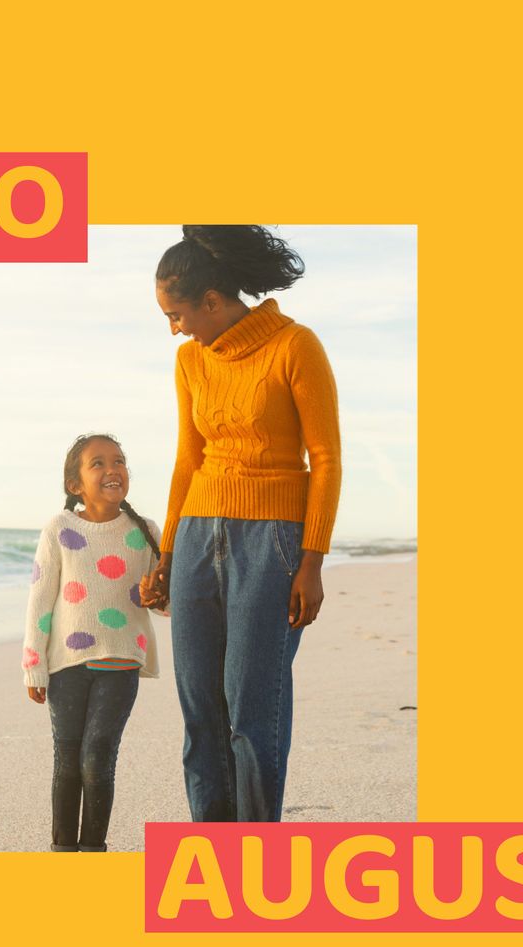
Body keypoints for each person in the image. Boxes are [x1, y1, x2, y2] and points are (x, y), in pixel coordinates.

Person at [142, 225, 342, 823]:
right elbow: (188, 460)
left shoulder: (295, 346)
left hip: (273, 542)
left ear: (212, 301)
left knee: (251, 710)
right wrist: (168, 555)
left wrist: (313, 560)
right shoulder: (189, 360)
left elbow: (325, 459)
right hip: (199, 535)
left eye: (176, 314)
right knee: (201, 711)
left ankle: (257, 862)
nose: (173, 328)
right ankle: (211, 853)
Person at [22, 434, 164, 852]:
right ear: (75, 484)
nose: (112, 469)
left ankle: (94, 849)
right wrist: (33, 664)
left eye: (118, 461)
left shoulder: (145, 532)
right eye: (97, 463)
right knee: (67, 762)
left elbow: (163, 602)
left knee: (97, 759)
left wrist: (159, 595)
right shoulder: (59, 530)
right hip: (66, 664)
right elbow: (40, 600)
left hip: (120, 661)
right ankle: (64, 850)